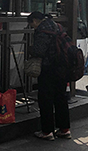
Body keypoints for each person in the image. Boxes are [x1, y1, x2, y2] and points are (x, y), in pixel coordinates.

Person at [28, 11, 71, 140]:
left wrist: (30, 49)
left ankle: (47, 131)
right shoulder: (57, 26)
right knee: (61, 98)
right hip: (62, 68)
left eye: (31, 24)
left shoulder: (42, 30)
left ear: (35, 20)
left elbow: (39, 51)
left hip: (48, 68)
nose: (32, 27)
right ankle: (64, 129)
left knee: (45, 99)